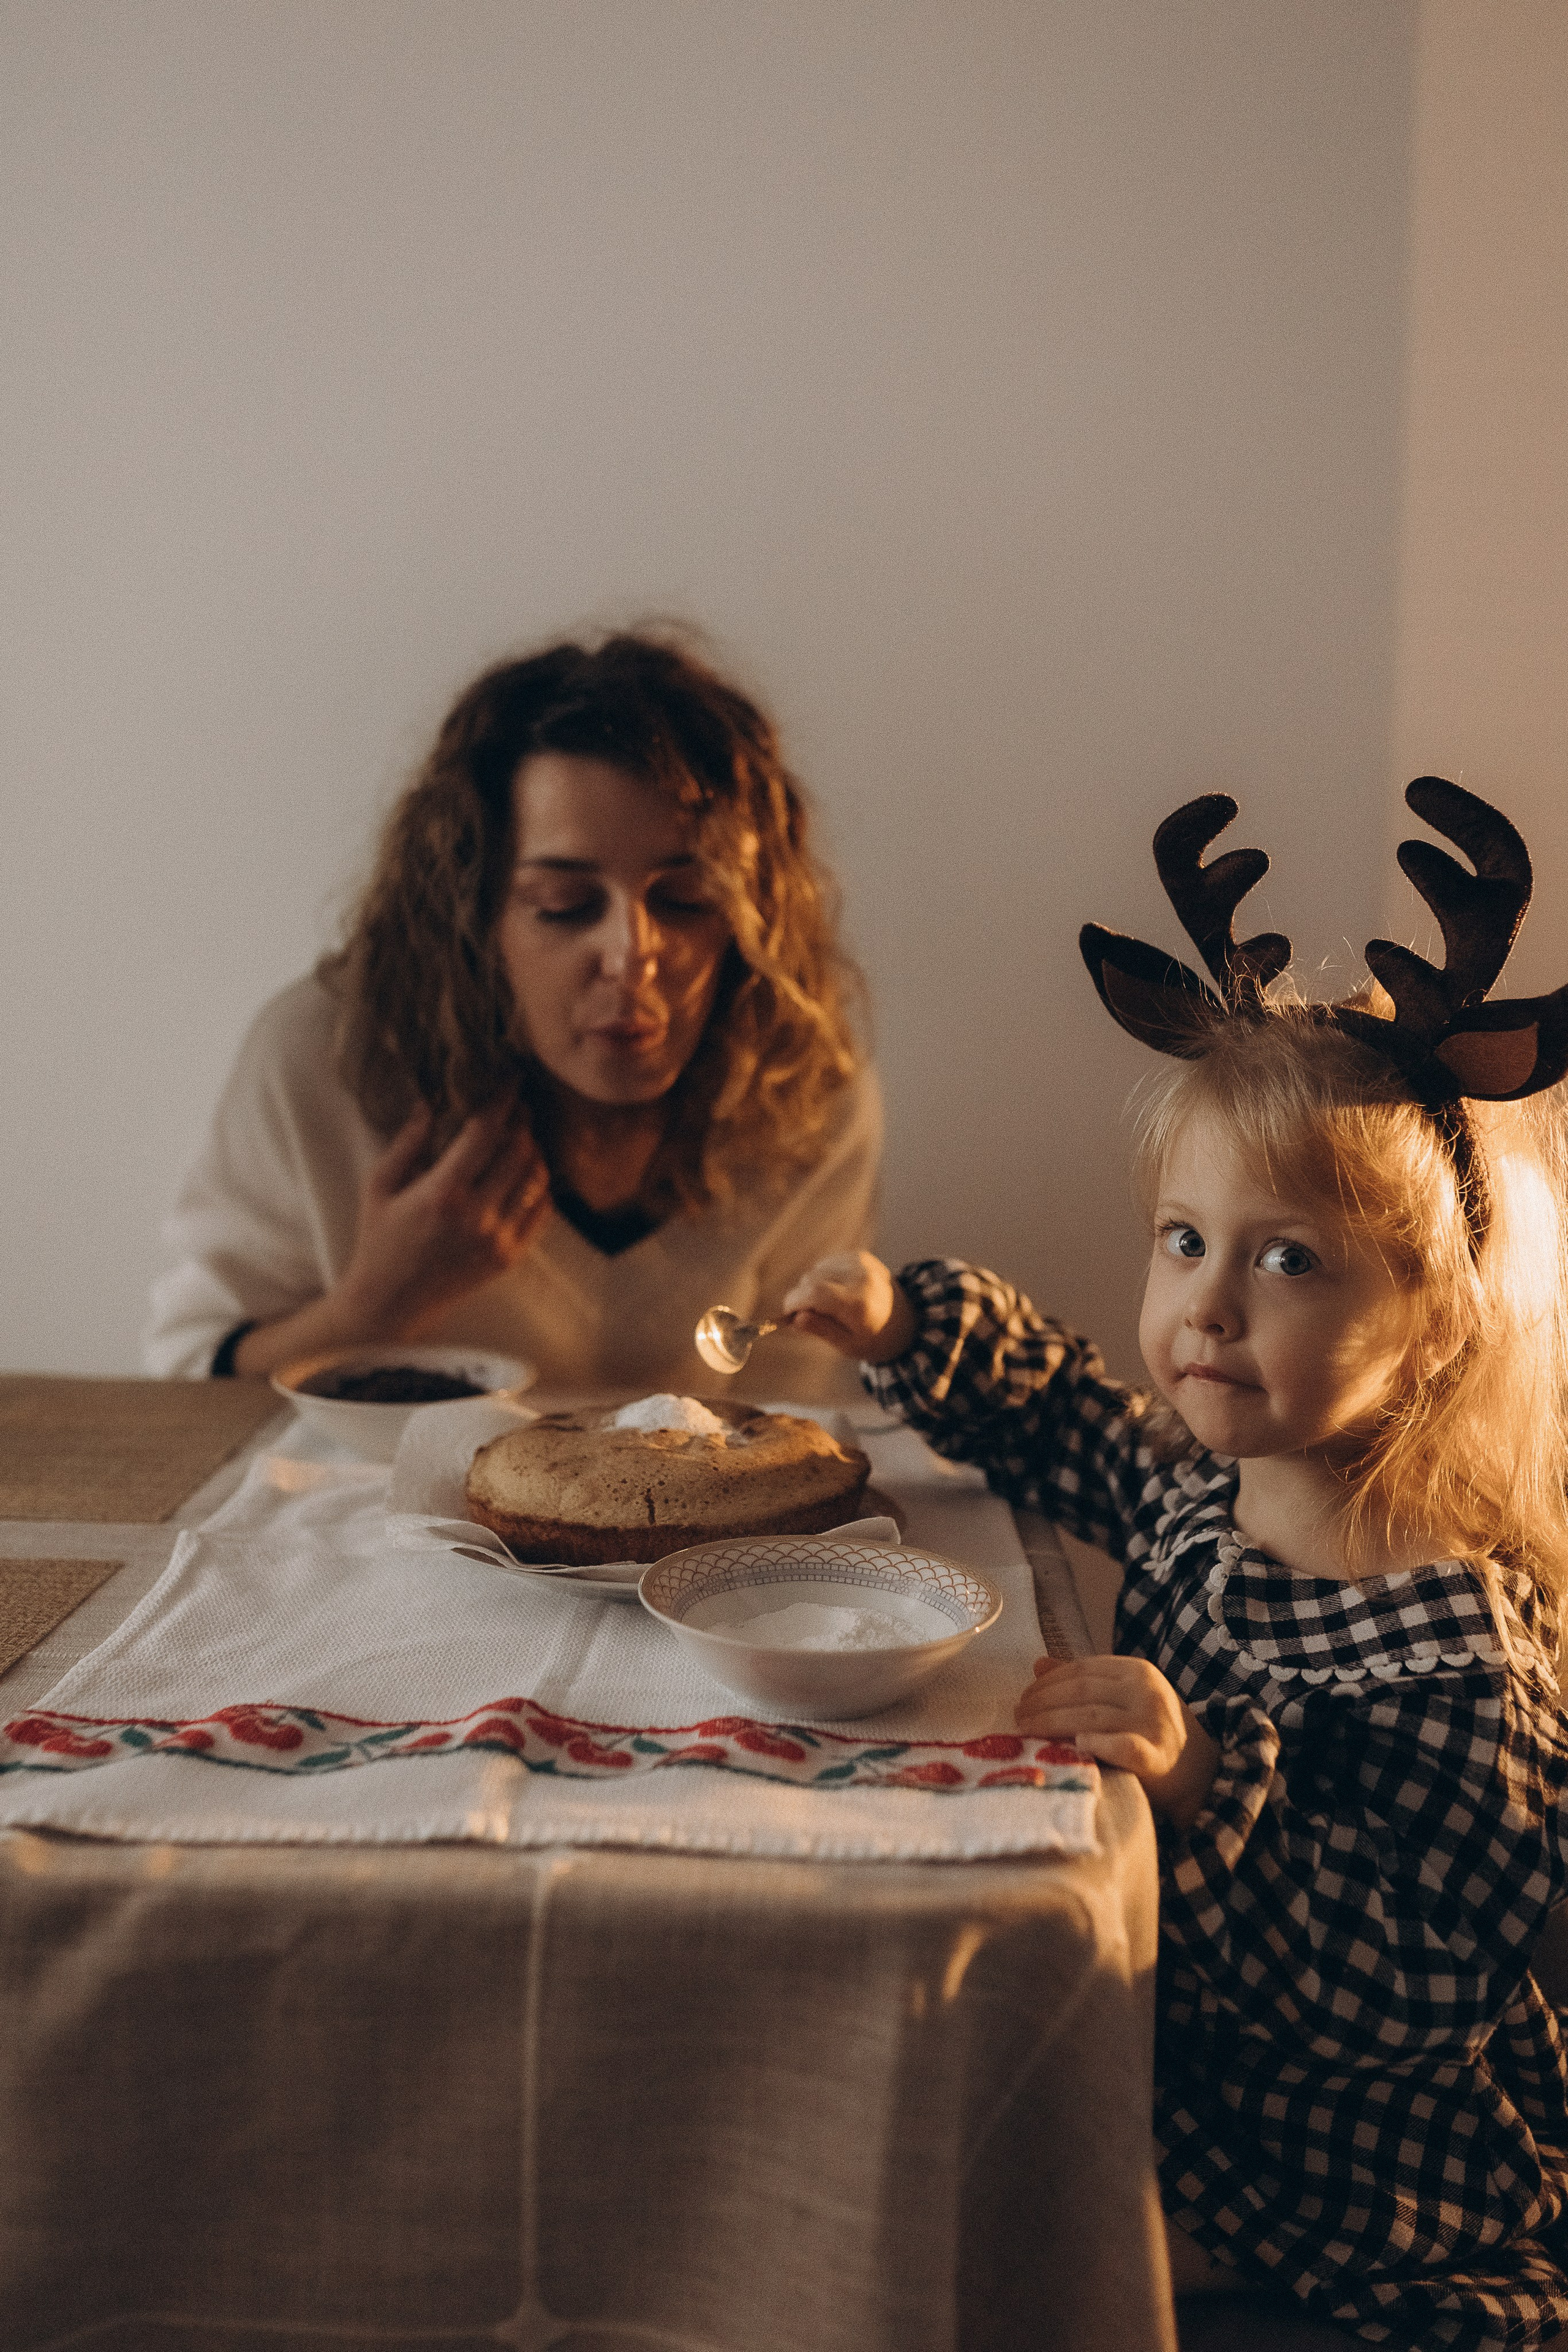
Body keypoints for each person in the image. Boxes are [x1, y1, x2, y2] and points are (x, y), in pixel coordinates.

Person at [786, 782, 1568, 2350]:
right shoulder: (1218, 1489)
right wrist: (903, 1323)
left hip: (1355, 2185)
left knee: (975, 2260)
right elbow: (1074, 1426)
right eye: (1181, 1239)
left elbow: (1408, 1985)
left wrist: (1207, 1779)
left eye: (1287, 1259)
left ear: (1431, 1317)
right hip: (1187, 2075)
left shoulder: (1454, 1655)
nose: (1205, 1309)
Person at [145, 631, 880, 1401]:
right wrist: (377, 1304)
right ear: (473, 915)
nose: (632, 955)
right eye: (564, 907)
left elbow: (787, 1413)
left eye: (685, 900)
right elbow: (184, 1384)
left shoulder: (802, 1089)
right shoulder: (322, 1062)